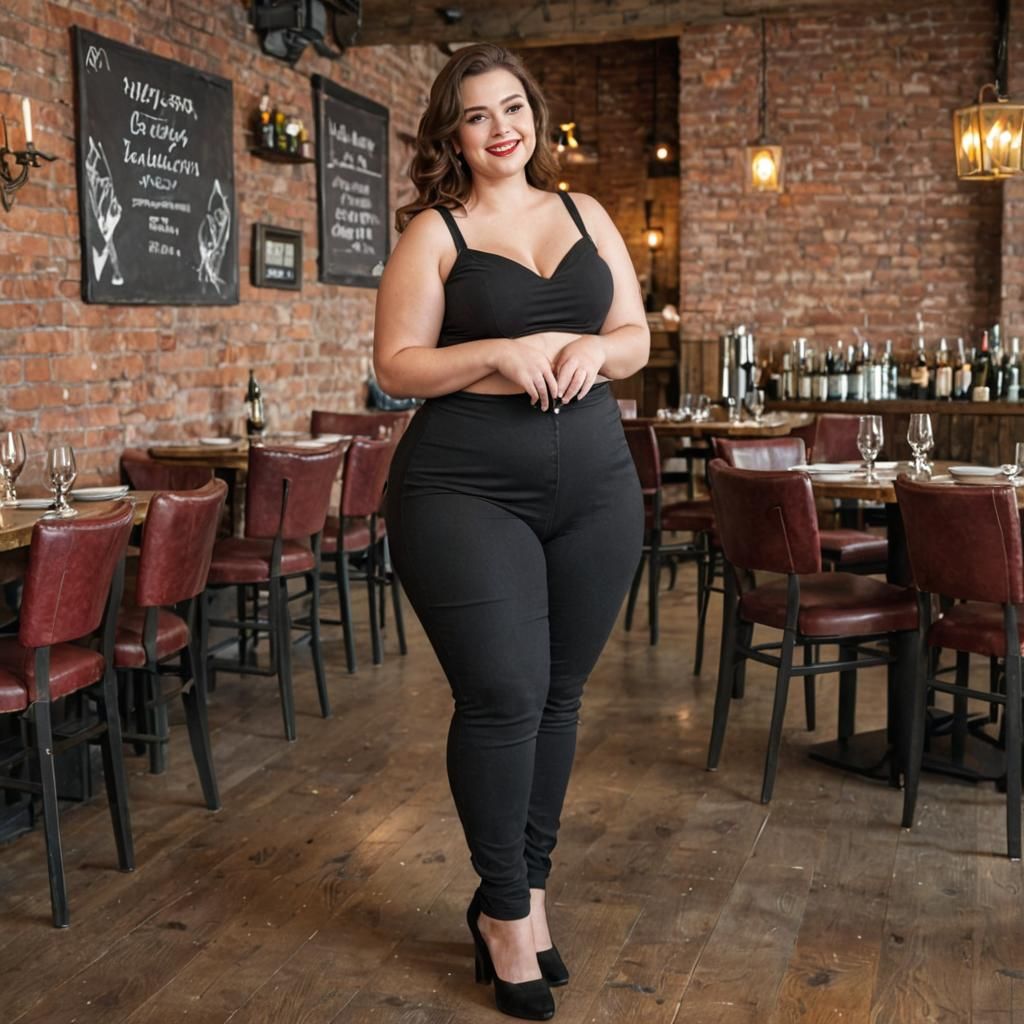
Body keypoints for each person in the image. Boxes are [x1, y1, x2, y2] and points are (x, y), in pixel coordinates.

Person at [374, 43, 648, 1021]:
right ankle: (498, 913)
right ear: (452, 133)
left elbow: (634, 336)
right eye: (478, 114)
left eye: (514, 108)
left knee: (560, 695)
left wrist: (588, 350)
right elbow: (397, 369)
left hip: (596, 487)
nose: (501, 127)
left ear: (534, 116)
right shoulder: (435, 234)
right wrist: (499, 347)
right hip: (461, 488)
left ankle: (527, 895)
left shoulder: (587, 215)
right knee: (502, 695)